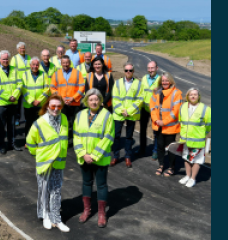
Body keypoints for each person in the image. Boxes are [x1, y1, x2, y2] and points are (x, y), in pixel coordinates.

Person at [26, 95, 70, 233]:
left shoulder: (64, 119)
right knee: (44, 190)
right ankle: (45, 215)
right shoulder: (39, 123)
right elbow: (30, 141)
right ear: (47, 107)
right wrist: (37, 154)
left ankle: (56, 218)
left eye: (59, 106)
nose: (56, 109)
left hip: (59, 161)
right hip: (45, 162)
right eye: (53, 106)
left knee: (56, 190)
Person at [73, 89, 115, 228]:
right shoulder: (79, 115)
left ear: (100, 100)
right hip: (84, 157)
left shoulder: (107, 116)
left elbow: (108, 137)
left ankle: (102, 214)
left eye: (96, 99)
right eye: (91, 99)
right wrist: (84, 154)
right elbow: (76, 136)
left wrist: (94, 155)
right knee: (86, 183)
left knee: (101, 184)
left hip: (100, 158)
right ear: (86, 101)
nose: (94, 102)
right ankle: (87, 210)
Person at [111, 63, 144, 168]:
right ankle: (116, 156)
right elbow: (115, 98)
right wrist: (122, 110)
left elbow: (140, 99)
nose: (128, 72)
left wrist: (129, 111)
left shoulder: (138, 84)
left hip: (131, 114)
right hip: (119, 114)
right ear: (124, 71)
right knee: (116, 136)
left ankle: (128, 157)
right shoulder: (118, 83)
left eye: (130, 70)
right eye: (126, 70)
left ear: (133, 71)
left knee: (129, 137)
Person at [149, 72, 183, 177]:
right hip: (158, 125)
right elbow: (153, 107)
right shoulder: (157, 92)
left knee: (171, 148)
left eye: (166, 80)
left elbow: (175, 111)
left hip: (170, 127)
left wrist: (164, 122)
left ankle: (171, 167)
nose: (164, 82)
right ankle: (161, 165)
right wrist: (156, 120)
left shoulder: (177, 93)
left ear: (170, 81)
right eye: (163, 80)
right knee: (160, 146)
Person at [177, 88, 211, 187]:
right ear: (187, 96)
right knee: (186, 158)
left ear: (198, 96)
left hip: (198, 140)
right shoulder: (183, 107)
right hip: (186, 139)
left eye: (195, 94)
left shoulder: (206, 109)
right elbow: (181, 120)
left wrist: (202, 133)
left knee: (197, 160)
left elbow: (209, 125)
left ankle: (193, 178)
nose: (193, 96)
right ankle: (187, 176)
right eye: (191, 94)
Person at [0, 50, 23, 154]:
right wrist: (9, 97)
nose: (5, 60)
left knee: (12, 125)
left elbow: (20, 84)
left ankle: (12, 143)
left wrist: (14, 96)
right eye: (3, 59)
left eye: (7, 58)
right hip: (2, 104)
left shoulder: (14, 70)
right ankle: (1, 145)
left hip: (13, 103)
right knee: (1, 126)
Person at [50, 55, 85, 142]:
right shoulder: (56, 74)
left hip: (74, 103)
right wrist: (61, 98)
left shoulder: (77, 73)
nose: (66, 64)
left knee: (75, 123)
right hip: (62, 104)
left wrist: (73, 98)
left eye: (67, 63)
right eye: (64, 63)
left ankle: (76, 140)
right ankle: (63, 139)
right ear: (61, 63)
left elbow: (82, 87)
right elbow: (52, 88)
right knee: (63, 123)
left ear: (70, 63)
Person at [22, 57, 51, 148]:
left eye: (37, 65)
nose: (35, 66)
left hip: (40, 105)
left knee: (40, 124)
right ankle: (28, 142)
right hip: (28, 105)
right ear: (30, 65)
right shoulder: (25, 75)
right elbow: (23, 89)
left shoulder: (43, 75)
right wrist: (31, 100)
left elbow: (46, 89)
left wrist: (39, 100)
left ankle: (39, 141)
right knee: (29, 124)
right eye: (33, 64)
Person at [137, 61, 161, 159]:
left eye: (152, 68)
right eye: (149, 68)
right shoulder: (144, 78)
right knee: (142, 130)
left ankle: (155, 151)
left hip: (155, 109)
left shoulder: (160, 80)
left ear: (157, 68)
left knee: (156, 131)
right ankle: (142, 149)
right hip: (144, 108)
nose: (150, 70)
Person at [11, 42, 31, 126]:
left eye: (23, 48)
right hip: (19, 84)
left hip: (28, 84)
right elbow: (12, 73)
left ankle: (27, 118)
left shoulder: (29, 57)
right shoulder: (14, 59)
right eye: (20, 48)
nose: (22, 50)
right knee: (18, 104)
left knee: (28, 102)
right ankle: (17, 119)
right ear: (17, 49)